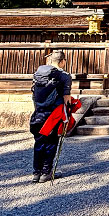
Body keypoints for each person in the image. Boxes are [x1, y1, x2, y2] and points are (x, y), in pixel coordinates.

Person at [30, 50, 72, 183]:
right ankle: (46, 172)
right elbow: (67, 99)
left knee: (39, 142)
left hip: (38, 113)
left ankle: (36, 173)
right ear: (62, 61)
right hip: (53, 114)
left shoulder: (38, 75)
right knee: (51, 142)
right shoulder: (64, 76)